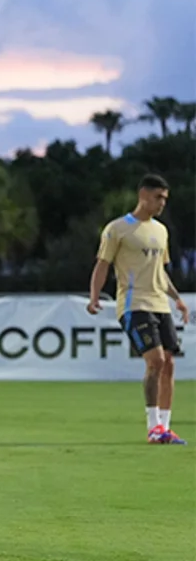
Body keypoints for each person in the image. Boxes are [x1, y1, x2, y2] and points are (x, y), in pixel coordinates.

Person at [88, 173, 190, 444]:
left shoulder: (161, 231)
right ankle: (152, 426)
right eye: (158, 197)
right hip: (134, 304)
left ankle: (165, 429)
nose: (162, 203)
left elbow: (160, 272)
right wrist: (95, 296)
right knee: (155, 361)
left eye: (165, 199)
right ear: (143, 195)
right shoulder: (117, 229)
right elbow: (102, 264)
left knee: (168, 364)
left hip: (160, 304)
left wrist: (177, 299)